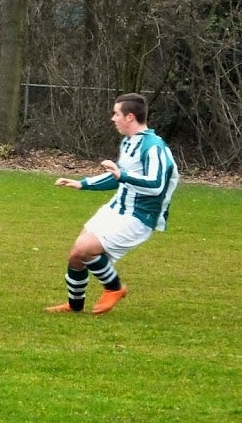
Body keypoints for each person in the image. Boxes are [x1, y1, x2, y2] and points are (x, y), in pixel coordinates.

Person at [45, 92, 179, 315]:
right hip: (117, 208)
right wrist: (82, 184)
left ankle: (114, 288)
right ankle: (74, 307)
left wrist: (122, 175)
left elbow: (156, 184)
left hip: (139, 216)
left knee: (85, 249)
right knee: (76, 254)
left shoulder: (153, 146)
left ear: (130, 117)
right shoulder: (128, 142)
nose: (113, 118)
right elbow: (118, 176)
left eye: (116, 114)